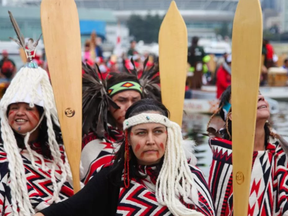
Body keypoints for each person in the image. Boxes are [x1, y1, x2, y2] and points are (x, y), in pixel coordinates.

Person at [35, 99, 215, 216]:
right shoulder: (112, 178)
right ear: (128, 138)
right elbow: (69, 209)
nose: (150, 141)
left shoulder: (190, 176)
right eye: (141, 133)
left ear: (169, 136)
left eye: (158, 132)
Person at [0, 61, 73, 216]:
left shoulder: (61, 155)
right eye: (14, 108)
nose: (20, 113)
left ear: (42, 116)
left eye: (29, 108)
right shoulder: (2, 155)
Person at [207, 86, 288, 215]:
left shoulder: (281, 155)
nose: (261, 97)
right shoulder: (224, 160)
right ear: (232, 115)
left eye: (260, 94)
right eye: (250, 96)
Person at [81, 61, 161, 184]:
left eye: (135, 100)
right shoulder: (92, 144)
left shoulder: (158, 139)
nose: (130, 106)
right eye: (122, 100)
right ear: (108, 104)